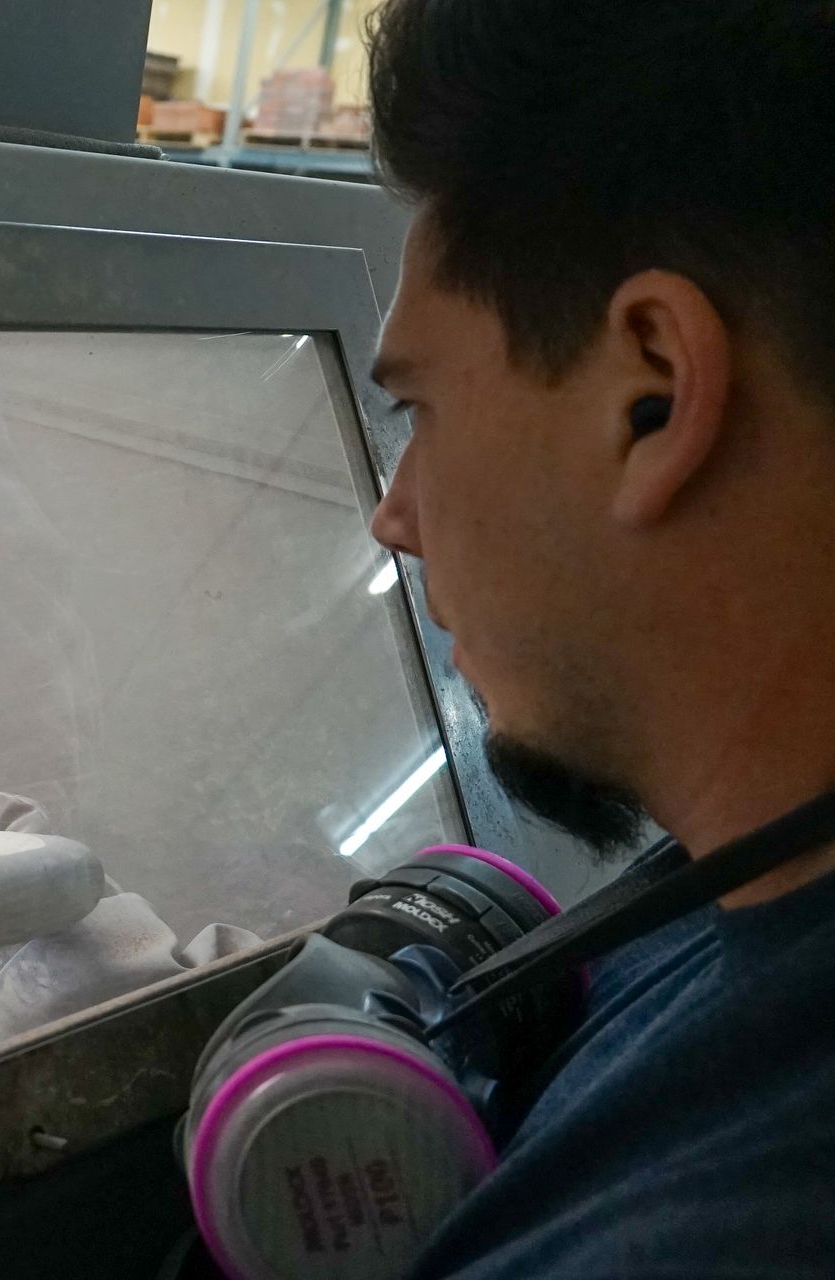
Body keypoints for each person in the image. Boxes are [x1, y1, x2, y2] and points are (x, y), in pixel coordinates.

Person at [356, 1, 835, 1275]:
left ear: (655, 392)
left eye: (419, 405)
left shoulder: (715, 1230)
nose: (393, 514)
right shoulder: (746, 882)